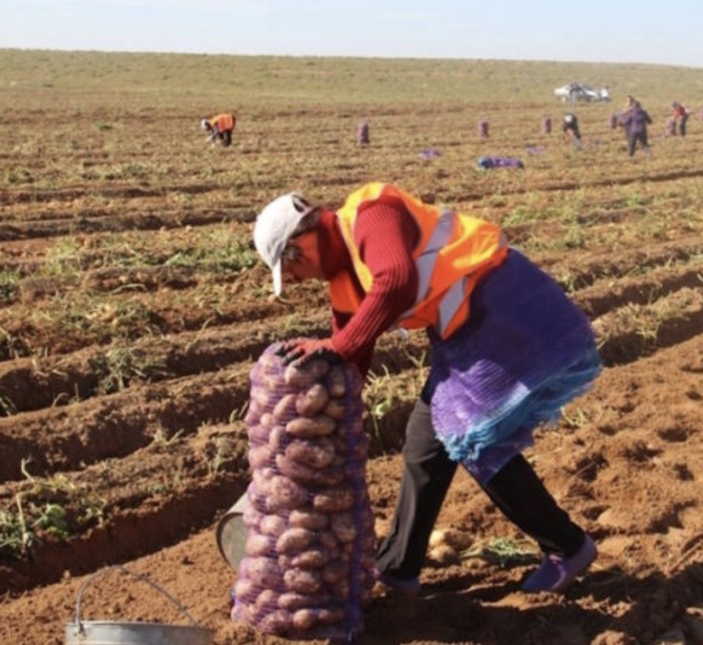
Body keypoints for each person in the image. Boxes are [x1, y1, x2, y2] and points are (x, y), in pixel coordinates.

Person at [252, 183, 602, 595]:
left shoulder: (371, 213)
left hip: (504, 305)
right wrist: (319, 418)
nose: (295, 280)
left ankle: (567, 546)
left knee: (474, 438)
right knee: (426, 439)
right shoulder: (344, 280)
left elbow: (396, 280)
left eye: (290, 271)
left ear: (299, 248)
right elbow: (349, 354)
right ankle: (398, 570)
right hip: (467, 331)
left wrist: (338, 346)